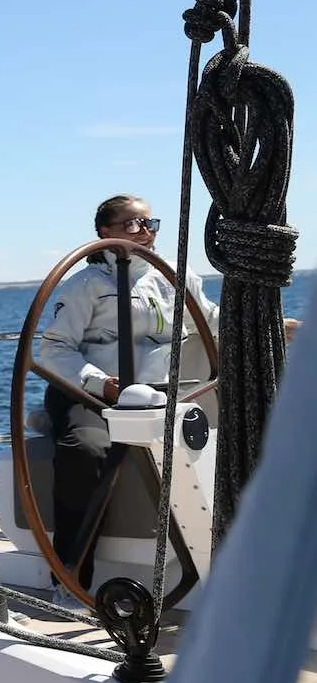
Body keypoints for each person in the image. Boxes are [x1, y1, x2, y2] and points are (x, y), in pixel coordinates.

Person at [33, 194, 298, 588]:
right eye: (133, 225)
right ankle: (71, 581)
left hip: (159, 395)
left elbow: (210, 320)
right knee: (86, 452)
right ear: (105, 233)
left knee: (246, 434)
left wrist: (274, 325)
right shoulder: (85, 286)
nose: (146, 232)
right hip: (91, 397)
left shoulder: (177, 275)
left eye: (150, 224)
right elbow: (52, 350)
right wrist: (101, 384)